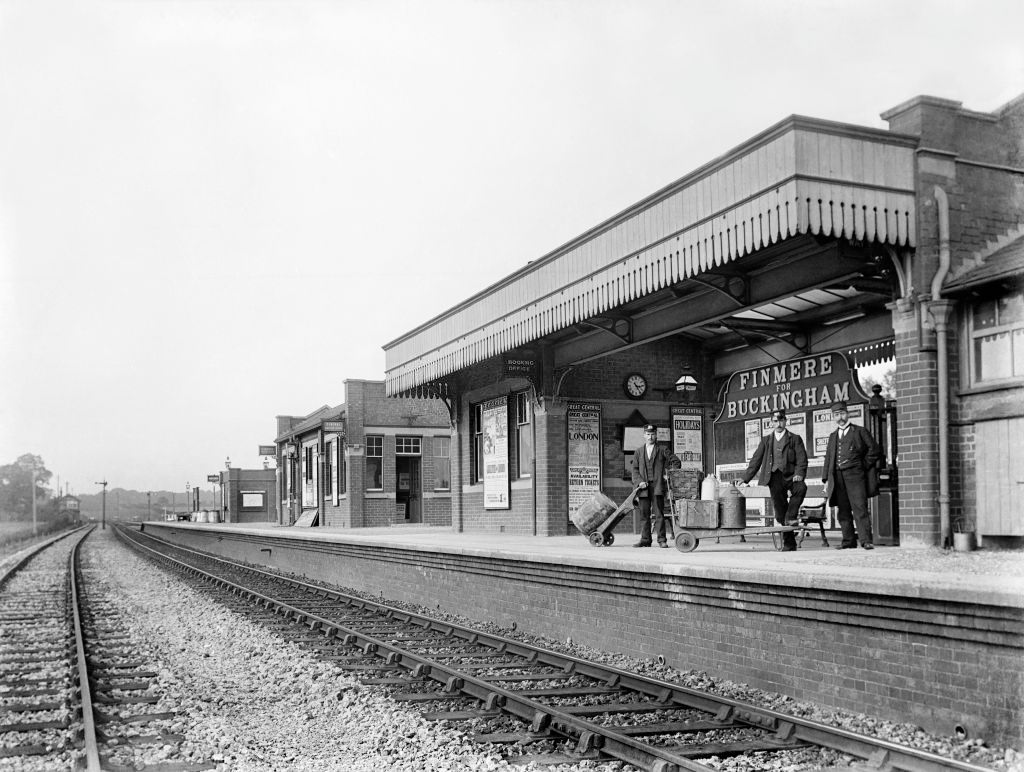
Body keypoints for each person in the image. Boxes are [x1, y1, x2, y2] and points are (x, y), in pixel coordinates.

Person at [738, 408, 808, 551]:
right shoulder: (766, 440)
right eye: (775, 421)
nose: (779, 423)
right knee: (781, 513)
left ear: (785, 421)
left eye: (781, 420)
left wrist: (799, 473)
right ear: (771, 423)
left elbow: (802, 459)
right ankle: (789, 544)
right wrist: (745, 479)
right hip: (774, 477)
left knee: (801, 488)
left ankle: (792, 515)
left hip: (791, 476)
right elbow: (756, 460)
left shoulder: (795, 438)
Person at [822, 400, 882, 550]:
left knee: (860, 508)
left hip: (856, 476)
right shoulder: (833, 436)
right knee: (843, 510)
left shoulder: (860, 431)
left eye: (842, 413)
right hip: (838, 477)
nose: (840, 417)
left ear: (847, 414)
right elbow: (828, 458)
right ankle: (848, 541)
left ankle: (866, 541)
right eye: (836, 414)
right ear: (833, 417)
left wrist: (862, 466)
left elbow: (874, 451)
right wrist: (826, 479)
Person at [630, 424, 681, 548]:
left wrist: (668, 475)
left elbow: (676, 462)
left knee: (659, 514)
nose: (650, 436)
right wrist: (639, 481)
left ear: (656, 435)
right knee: (644, 515)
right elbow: (635, 470)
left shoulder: (663, 449)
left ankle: (662, 540)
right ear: (644, 435)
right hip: (643, 488)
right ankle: (645, 540)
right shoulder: (638, 452)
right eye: (648, 434)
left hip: (657, 487)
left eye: (652, 434)